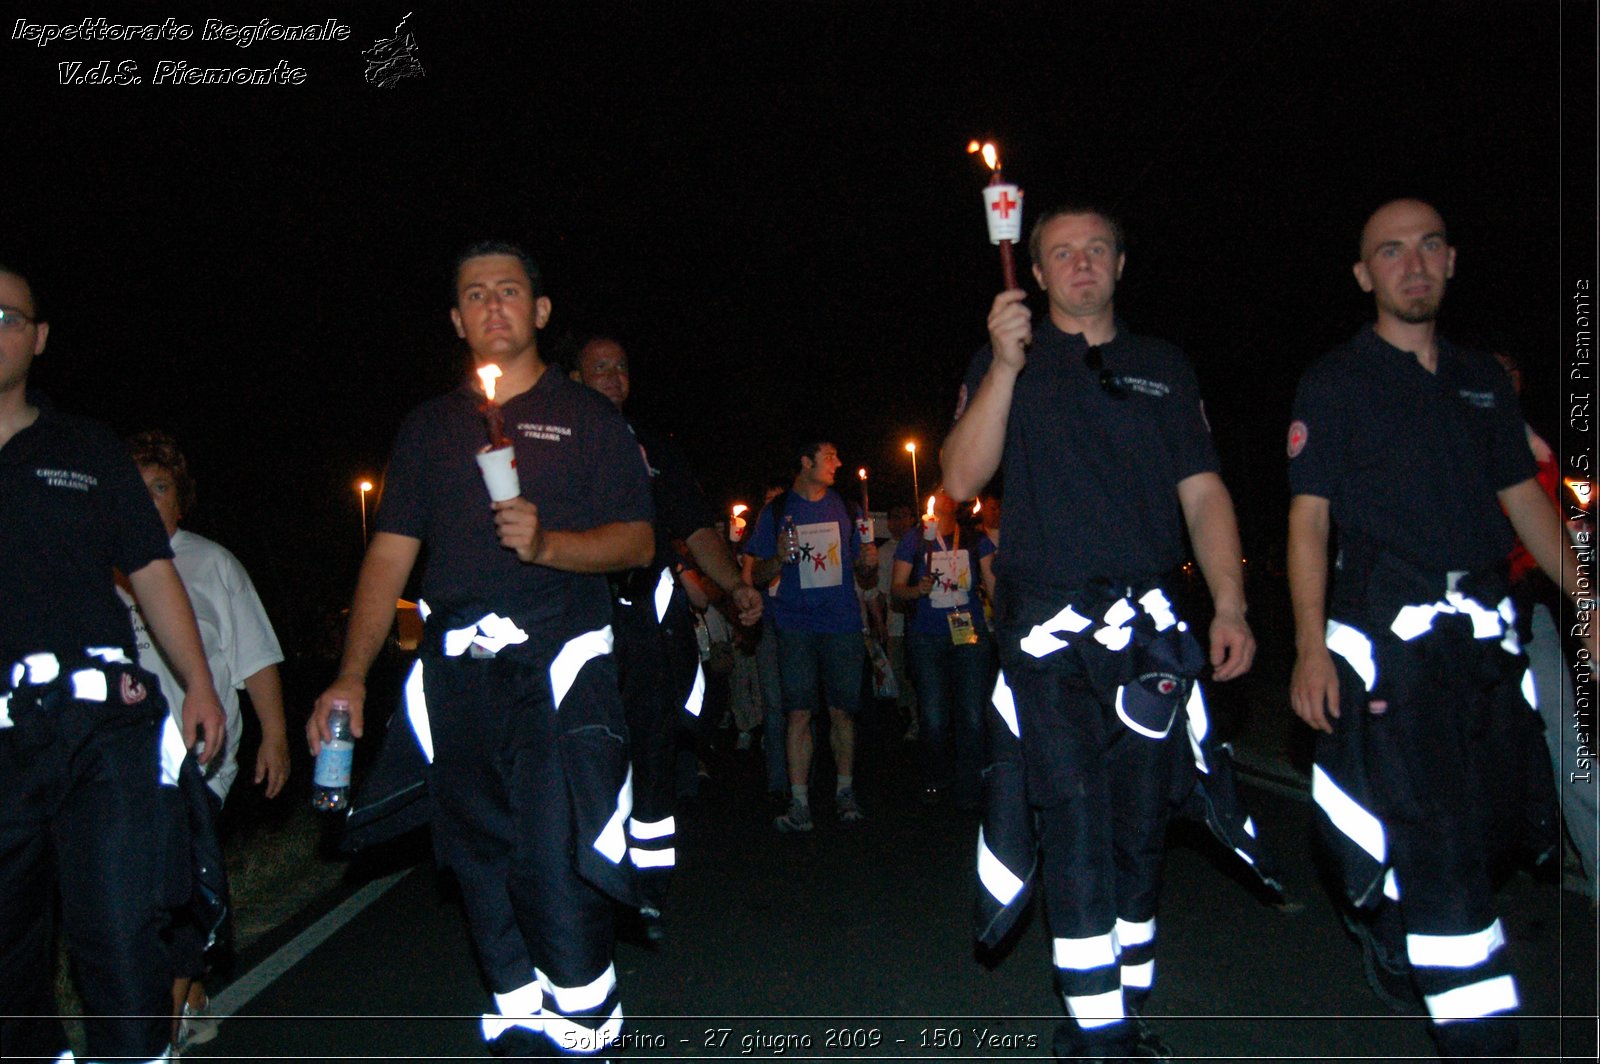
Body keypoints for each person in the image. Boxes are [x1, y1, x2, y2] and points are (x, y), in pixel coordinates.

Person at [309, 242, 654, 1057]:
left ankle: (588, 1032)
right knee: (481, 868)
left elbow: (638, 542)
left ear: (540, 311)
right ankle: (520, 1028)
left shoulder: (588, 418)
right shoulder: (428, 429)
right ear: (457, 319)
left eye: (509, 290)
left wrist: (549, 547)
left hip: (559, 667)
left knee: (555, 863)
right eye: (474, 294)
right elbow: (390, 553)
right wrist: (352, 676)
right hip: (460, 675)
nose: (492, 304)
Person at [942, 204, 1257, 1061]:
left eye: (1095, 250)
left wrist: (1228, 603)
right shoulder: (1006, 360)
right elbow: (961, 476)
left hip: (1152, 632)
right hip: (1050, 635)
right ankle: (1096, 1029)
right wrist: (1005, 368)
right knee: (1074, 817)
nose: (1080, 264)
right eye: (1060, 254)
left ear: (1121, 262)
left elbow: (1204, 493)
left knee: (1141, 822)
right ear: (1035, 273)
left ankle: (1128, 998)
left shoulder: (1164, 366)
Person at [1288, 199, 1594, 1060]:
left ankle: (1391, 913)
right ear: (1364, 274)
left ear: (1452, 261)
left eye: (1428, 247)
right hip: (1394, 649)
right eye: (1390, 251)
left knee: (1507, 823)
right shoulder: (1335, 382)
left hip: (1487, 650)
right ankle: (1477, 1035)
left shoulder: (1481, 381)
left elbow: (1525, 501)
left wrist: (1589, 604)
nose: (1411, 264)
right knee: (1446, 853)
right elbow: (1308, 522)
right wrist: (1311, 647)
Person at [0, 262, 226, 1062]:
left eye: (10, 317)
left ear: (40, 337)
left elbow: (153, 569)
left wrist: (199, 682)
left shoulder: (87, 448)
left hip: (101, 727)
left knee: (118, 929)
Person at [574, 336, 761, 937]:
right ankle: (588, 883)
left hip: (648, 629)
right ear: (574, 378)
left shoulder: (656, 449)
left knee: (653, 753)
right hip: (578, 626)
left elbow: (696, 528)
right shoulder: (553, 447)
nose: (612, 376)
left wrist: (736, 588)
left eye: (621, 366)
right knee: (586, 753)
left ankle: (648, 891)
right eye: (598, 367)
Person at [115, 430, 289, 1051]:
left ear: (179, 502)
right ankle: (185, 987)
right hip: (120, 762)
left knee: (179, 879)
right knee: (133, 894)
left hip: (198, 757)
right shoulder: (95, 566)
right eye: (134, 489)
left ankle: (162, 1017)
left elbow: (256, 659)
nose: (147, 500)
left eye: (160, 488)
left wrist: (275, 738)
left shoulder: (210, 562)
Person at [1493, 352, 1596, 900]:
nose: (1504, 379)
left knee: (1570, 740)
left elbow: (1570, 522)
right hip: (1467, 616)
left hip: (1530, 612)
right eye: (1493, 370)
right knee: (1478, 746)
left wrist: (1587, 603)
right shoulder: (1452, 434)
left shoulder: (1543, 450)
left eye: (1513, 370)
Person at [744, 439, 879, 832]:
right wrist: (779, 559)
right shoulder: (777, 511)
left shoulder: (847, 509)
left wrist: (869, 564)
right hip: (795, 625)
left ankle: (844, 792)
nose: (838, 462)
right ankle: (799, 802)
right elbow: (757, 576)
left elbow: (863, 573)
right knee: (798, 712)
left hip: (841, 624)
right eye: (830, 456)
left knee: (842, 711)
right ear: (806, 462)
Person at [891, 489, 994, 808]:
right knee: (934, 716)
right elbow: (896, 591)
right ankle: (935, 777)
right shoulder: (915, 539)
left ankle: (970, 785)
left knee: (973, 714)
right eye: (941, 491)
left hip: (969, 632)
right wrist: (915, 590)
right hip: (928, 635)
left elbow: (993, 585)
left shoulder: (976, 539)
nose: (946, 496)